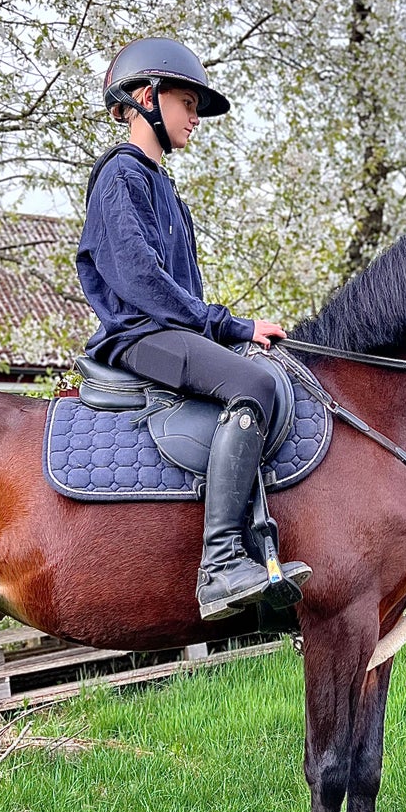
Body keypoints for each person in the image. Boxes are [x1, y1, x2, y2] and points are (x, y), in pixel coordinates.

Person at [76, 36, 311, 621]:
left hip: (171, 332)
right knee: (253, 387)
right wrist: (229, 326)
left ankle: (258, 547)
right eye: (187, 103)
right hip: (139, 336)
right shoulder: (121, 178)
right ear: (148, 99)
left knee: (264, 376)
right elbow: (139, 278)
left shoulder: (164, 189)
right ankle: (221, 563)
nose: (195, 119)